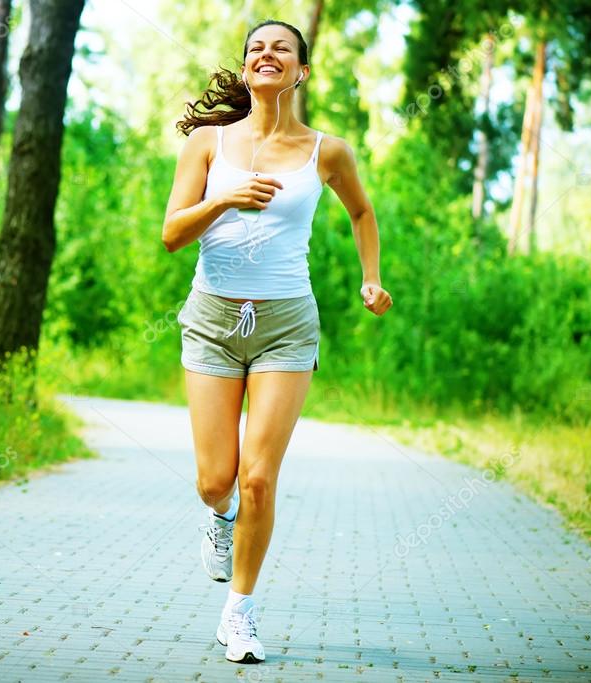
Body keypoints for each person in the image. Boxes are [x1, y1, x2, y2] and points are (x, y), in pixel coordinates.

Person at [160, 19, 393, 664]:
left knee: (259, 478)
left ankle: (239, 612)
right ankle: (218, 512)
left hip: (287, 322)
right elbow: (172, 234)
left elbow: (362, 213)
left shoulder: (328, 151)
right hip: (213, 321)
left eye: (281, 49)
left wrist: (372, 279)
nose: (268, 55)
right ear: (245, 69)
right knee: (218, 480)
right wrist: (224, 199)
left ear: (300, 73)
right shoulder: (208, 145)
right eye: (257, 48)